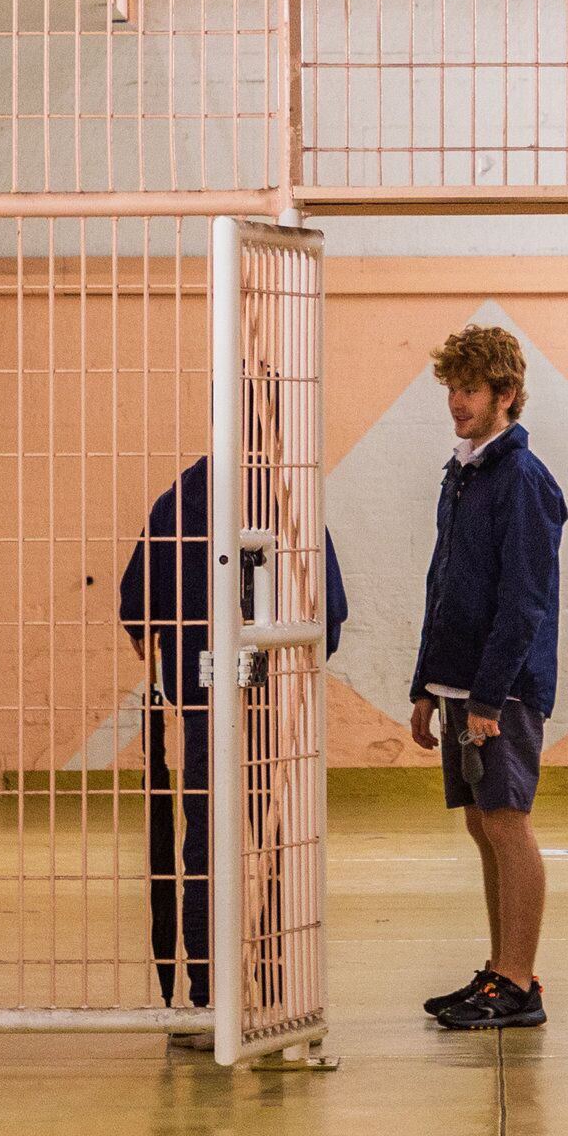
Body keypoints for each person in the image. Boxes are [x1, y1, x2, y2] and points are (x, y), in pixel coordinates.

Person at [117, 394, 349, 1013]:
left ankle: (208, 998)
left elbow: (134, 606)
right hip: (272, 700)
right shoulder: (288, 503)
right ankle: (273, 995)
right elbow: (333, 611)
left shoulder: (181, 499)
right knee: (276, 847)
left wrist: (171, 650)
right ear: (271, 427)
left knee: (206, 855)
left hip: (205, 699)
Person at [408, 323, 567, 1031]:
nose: (456, 402)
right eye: (450, 389)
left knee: (508, 824)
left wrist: (488, 695)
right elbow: (443, 581)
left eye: (469, 389)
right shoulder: (464, 471)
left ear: (506, 394)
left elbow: (522, 600)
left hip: (498, 692)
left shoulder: (523, 481)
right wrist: (426, 684)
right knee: (481, 824)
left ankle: (518, 982)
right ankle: (501, 968)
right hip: (459, 687)